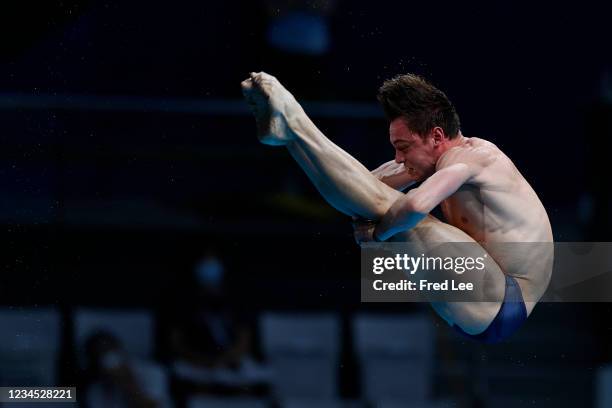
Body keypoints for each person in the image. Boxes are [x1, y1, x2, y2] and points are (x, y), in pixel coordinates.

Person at [241, 71, 553, 343]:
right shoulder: (432, 159)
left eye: (403, 148)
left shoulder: (471, 159)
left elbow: (415, 205)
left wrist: (378, 236)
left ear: (437, 136)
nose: (399, 159)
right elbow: (363, 190)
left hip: (503, 297)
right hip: (484, 296)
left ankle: (294, 118)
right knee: (378, 204)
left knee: (407, 216)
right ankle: (290, 136)